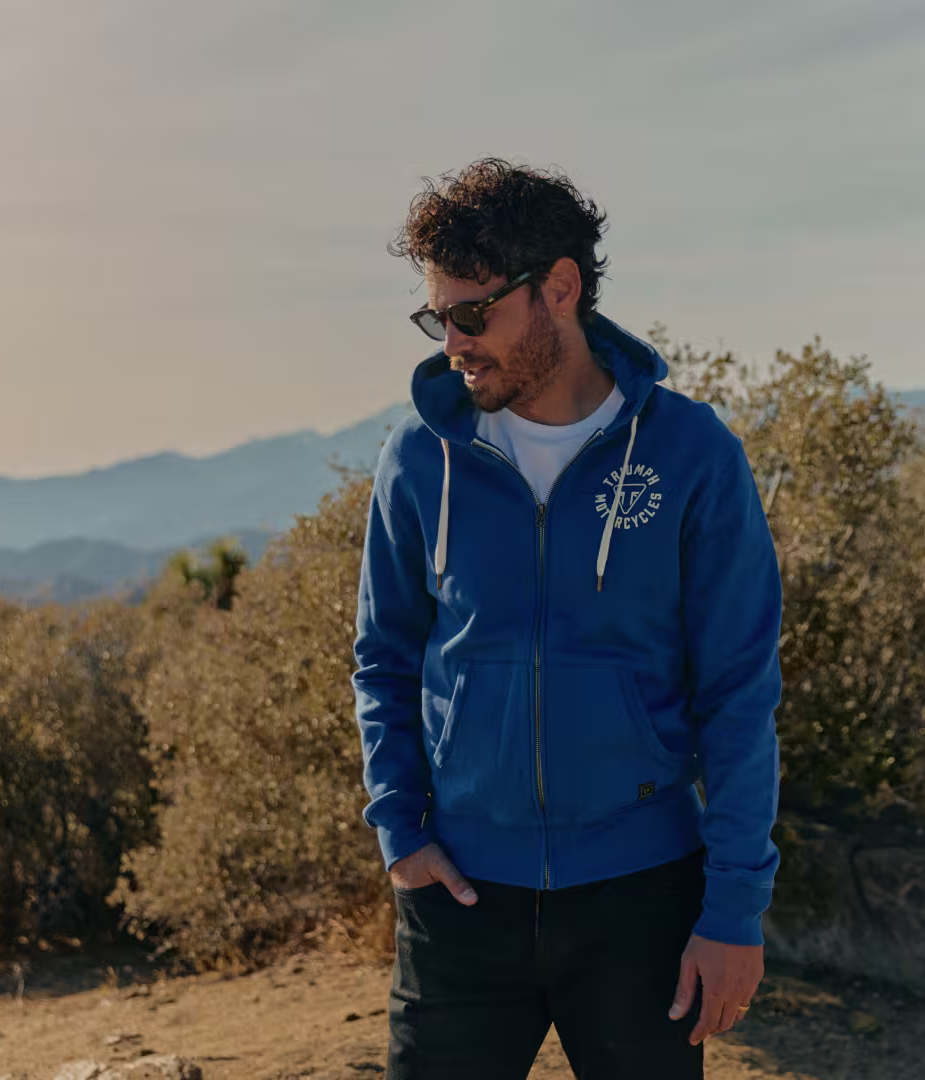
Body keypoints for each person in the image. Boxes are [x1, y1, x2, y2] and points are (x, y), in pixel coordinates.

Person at [352, 158, 783, 1080]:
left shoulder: (690, 453)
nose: (454, 343)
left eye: (474, 314)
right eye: (439, 318)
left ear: (559, 288)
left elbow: (740, 694)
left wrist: (734, 912)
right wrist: (401, 830)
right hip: (460, 901)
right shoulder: (418, 458)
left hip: (643, 900)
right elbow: (384, 660)